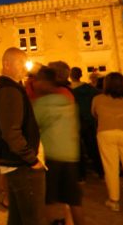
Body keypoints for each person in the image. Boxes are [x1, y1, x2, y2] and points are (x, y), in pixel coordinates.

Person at [0, 47, 46, 225]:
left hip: (16, 162)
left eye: (25, 62)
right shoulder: (9, 90)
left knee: (18, 217)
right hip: (21, 164)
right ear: (6, 64)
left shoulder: (10, 88)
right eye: (20, 62)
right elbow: (11, 132)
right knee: (32, 217)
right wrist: (31, 159)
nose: (25, 68)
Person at [32, 66, 84, 225]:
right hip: (71, 155)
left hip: (51, 156)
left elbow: (33, 129)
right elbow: (76, 127)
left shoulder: (39, 104)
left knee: (48, 198)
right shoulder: (67, 101)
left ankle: (53, 222)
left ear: (43, 82)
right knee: (73, 199)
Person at [92, 72, 123, 212]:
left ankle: (114, 200)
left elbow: (94, 114)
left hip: (105, 133)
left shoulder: (98, 98)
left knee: (110, 167)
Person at [70, 67, 103, 181]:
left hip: (75, 121)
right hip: (89, 121)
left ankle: (81, 176)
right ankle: (101, 172)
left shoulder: (68, 90)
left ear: (71, 76)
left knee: (78, 149)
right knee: (93, 147)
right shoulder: (89, 89)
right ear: (81, 74)